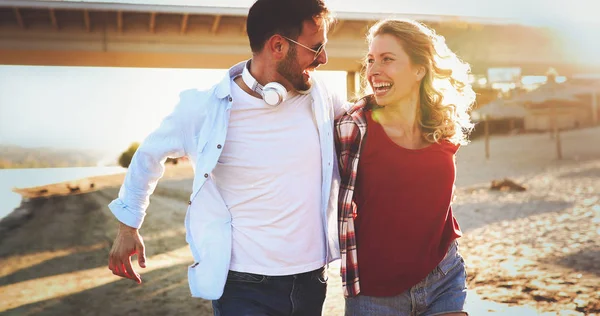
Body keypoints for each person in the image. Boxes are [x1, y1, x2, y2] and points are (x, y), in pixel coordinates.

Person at [107, 0, 349, 314]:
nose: (324, 59)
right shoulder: (204, 108)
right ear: (277, 45)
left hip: (312, 280)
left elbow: (369, 129)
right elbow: (148, 156)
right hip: (243, 285)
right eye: (316, 48)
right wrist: (128, 227)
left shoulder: (324, 98)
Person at [335, 19, 476, 316]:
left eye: (388, 59)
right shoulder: (354, 126)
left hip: (443, 276)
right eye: (371, 60)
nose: (374, 70)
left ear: (419, 69)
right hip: (375, 291)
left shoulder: (442, 125)